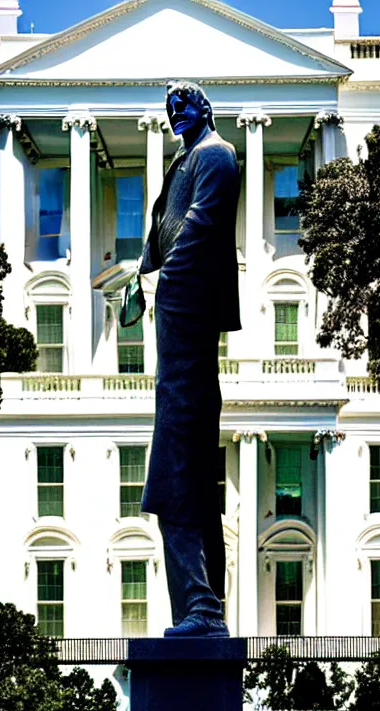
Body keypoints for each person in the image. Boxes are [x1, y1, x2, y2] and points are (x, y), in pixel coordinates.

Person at [139, 81, 241, 638]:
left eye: (185, 104)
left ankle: (202, 607)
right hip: (176, 327)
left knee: (176, 472)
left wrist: (167, 285)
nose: (176, 112)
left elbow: (200, 228)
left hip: (189, 318)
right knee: (179, 471)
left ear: (206, 109)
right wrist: (140, 273)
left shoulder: (217, 156)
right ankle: (197, 610)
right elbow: (164, 231)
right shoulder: (183, 163)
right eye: (169, 106)